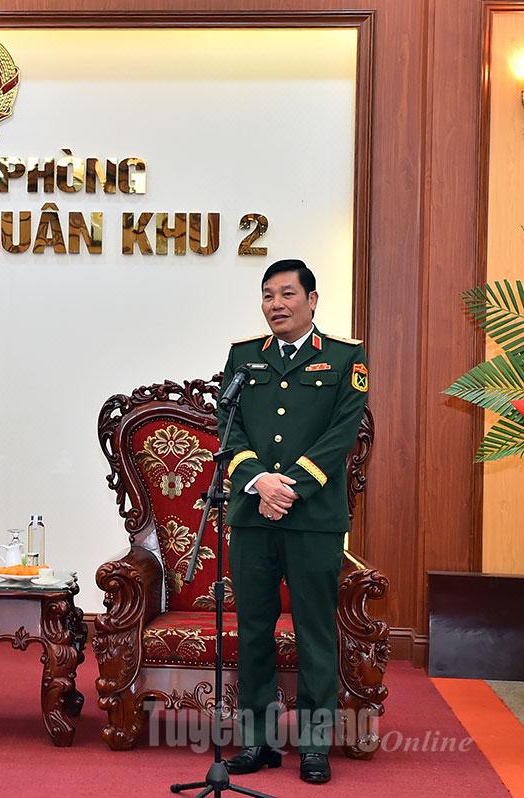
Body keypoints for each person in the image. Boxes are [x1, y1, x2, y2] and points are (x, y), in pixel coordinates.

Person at [218, 259, 369, 785]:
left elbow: (341, 433)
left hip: (313, 519)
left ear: (312, 300)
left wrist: (289, 488)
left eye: (287, 294)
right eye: (267, 295)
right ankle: (257, 741)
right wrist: (259, 481)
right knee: (253, 629)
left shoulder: (345, 357)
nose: (276, 304)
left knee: (315, 632)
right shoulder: (243, 357)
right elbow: (229, 427)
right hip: (253, 516)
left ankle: (314, 745)